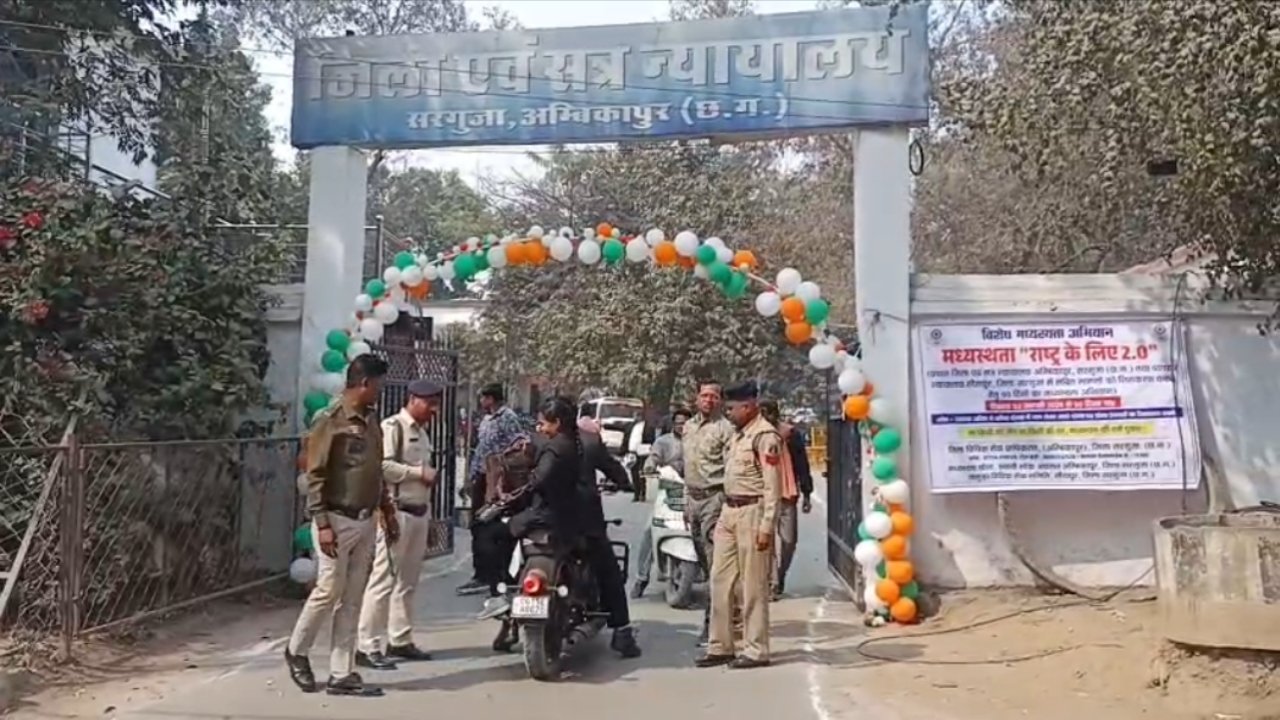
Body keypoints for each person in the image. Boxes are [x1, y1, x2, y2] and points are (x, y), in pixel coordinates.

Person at [492, 397, 642, 658]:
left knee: (511, 553)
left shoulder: (540, 440)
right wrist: (624, 483)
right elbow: (615, 471)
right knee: (608, 570)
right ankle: (622, 632)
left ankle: (507, 619)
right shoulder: (588, 442)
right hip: (583, 521)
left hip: (540, 516)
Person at [285, 355, 398, 697]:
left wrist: (386, 510)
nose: (380, 391)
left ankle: (341, 673)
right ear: (364, 383)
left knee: (351, 597)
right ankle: (297, 650)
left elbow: (375, 470)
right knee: (328, 590)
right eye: (378, 385)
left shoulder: (371, 420)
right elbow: (315, 474)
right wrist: (321, 523)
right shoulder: (330, 420)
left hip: (365, 519)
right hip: (335, 519)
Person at [355, 379, 442, 670]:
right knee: (383, 580)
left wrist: (430, 518)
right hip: (396, 513)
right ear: (413, 399)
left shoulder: (423, 433)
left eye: (436, 404)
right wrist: (418, 472)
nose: (433, 409)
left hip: (419, 513)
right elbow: (381, 466)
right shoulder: (393, 427)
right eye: (429, 403)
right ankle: (367, 645)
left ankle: (400, 639)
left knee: (408, 582)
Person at [697, 380, 782, 670]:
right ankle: (720, 646)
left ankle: (756, 649)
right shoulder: (738, 434)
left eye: (732, 408)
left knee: (753, 585)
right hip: (729, 510)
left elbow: (772, 486)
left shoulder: (765, 437)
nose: (728, 413)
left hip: (752, 512)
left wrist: (767, 526)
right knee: (719, 580)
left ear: (748, 406)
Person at [458, 383, 527, 596]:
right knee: (478, 526)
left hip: (497, 480)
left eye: (484, 397)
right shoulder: (486, 419)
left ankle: (498, 574)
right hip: (481, 476)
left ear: (491, 398)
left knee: (492, 527)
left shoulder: (508, 418)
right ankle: (481, 573)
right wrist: (470, 478)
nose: (481, 401)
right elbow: (480, 451)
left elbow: (518, 445)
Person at [682, 381, 735, 646]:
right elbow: (687, 466)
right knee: (703, 564)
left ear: (720, 401)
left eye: (714, 396)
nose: (708, 400)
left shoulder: (726, 429)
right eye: (704, 395)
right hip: (692, 499)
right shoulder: (688, 427)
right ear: (697, 398)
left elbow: (731, 468)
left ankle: (713, 624)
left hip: (715, 498)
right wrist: (685, 502)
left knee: (716, 566)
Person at [631, 407, 691, 599]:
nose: (682, 427)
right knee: (649, 531)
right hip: (669, 493)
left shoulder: (699, 441)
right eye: (678, 423)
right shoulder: (663, 442)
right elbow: (653, 458)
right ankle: (641, 578)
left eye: (685, 423)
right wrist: (650, 467)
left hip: (695, 494)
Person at [759, 400, 813, 599]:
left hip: (786, 494)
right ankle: (772, 583)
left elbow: (802, 465)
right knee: (767, 542)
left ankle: (781, 575)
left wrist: (807, 493)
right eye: (763, 414)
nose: (767, 417)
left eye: (770, 413)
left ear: (776, 414)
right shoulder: (755, 435)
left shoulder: (790, 434)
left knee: (789, 541)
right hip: (763, 495)